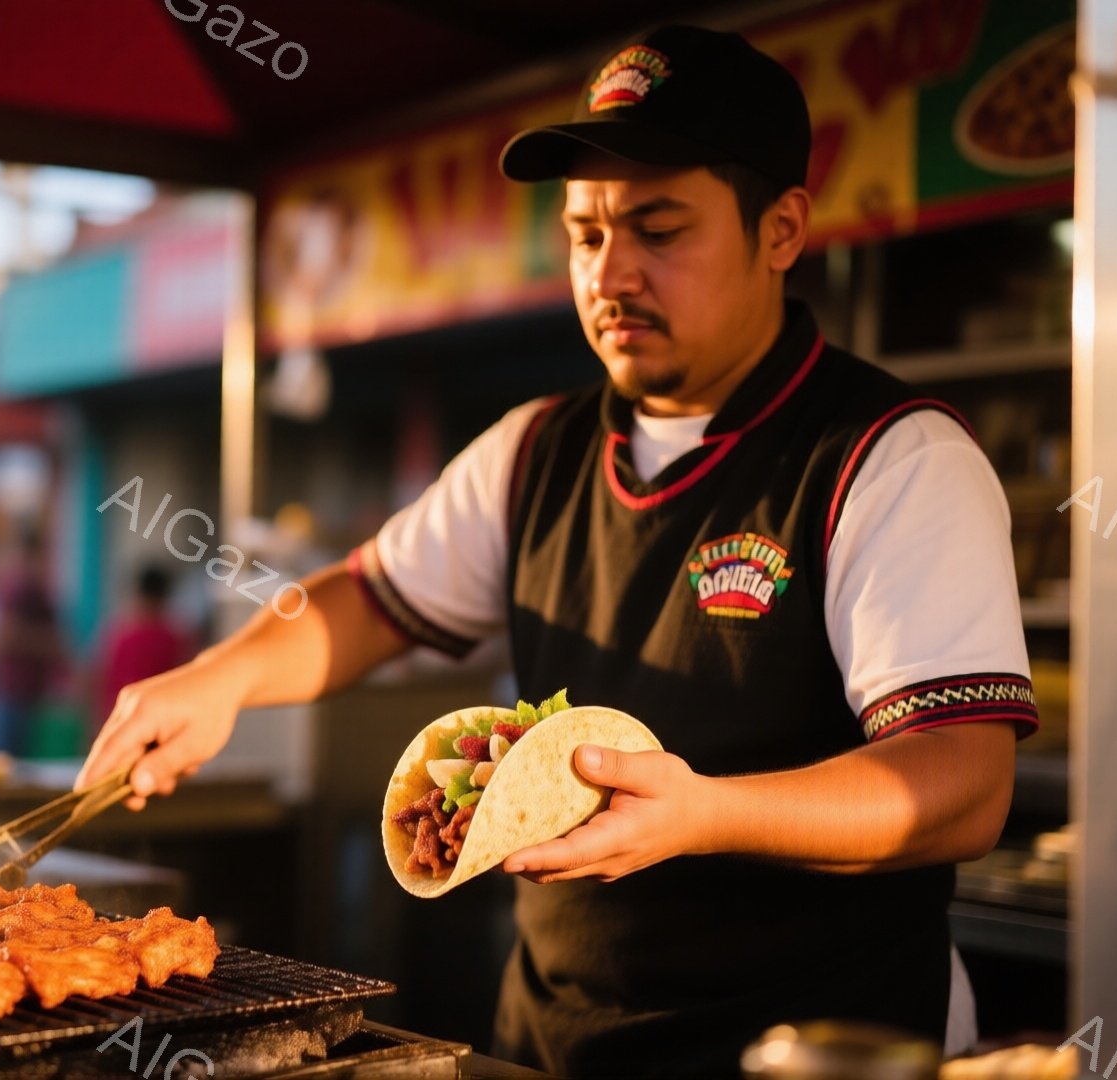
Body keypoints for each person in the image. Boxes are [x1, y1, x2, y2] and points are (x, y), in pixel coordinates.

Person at [78, 25, 1034, 1078]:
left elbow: (961, 784)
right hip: (555, 1046)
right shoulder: (535, 448)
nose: (612, 273)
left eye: (659, 229)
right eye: (586, 235)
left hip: (824, 1051)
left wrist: (706, 814)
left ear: (782, 229)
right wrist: (221, 681)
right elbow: (370, 598)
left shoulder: (891, 459)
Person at [0, 526, 62, 755]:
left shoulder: (28, 587)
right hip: (11, 690)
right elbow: (2, 637)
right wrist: (48, 643)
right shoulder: (19, 586)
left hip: (24, 691)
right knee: (5, 764)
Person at [92, 565, 192, 737]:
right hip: (160, 724)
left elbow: (96, 676)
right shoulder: (176, 636)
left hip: (120, 721)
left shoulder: (119, 632)